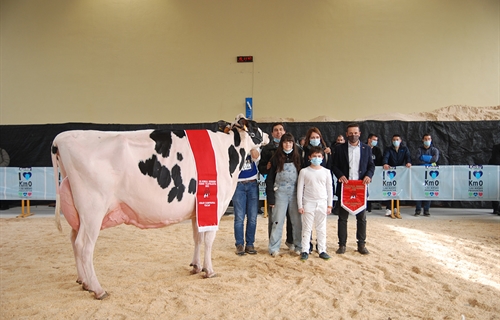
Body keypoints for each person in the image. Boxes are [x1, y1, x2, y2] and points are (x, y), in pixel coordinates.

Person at [331, 123, 375, 255]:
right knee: (342, 218)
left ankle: (361, 244)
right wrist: (340, 175)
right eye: (350, 133)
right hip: (345, 188)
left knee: (361, 218)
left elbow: (371, 166)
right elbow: (334, 165)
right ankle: (342, 245)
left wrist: (368, 175)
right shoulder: (339, 149)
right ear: (346, 134)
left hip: (360, 188)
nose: (353, 135)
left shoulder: (367, 149)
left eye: (355, 132)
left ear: (360, 134)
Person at [266, 133, 303, 257]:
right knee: (277, 221)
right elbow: (270, 179)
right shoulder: (275, 159)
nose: (288, 144)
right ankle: (274, 247)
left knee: (297, 221)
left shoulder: (298, 158)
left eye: (290, 142)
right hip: (279, 193)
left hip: (295, 193)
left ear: (293, 144)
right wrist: (271, 198)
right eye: (285, 142)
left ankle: (298, 246)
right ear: (281, 144)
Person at [258, 122, 294, 248]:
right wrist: (266, 167)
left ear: (284, 131)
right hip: (275, 188)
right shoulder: (267, 149)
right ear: (272, 133)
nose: (278, 132)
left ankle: (291, 241)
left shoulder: (295, 150)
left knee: (291, 218)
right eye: (276, 130)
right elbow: (261, 167)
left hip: (291, 190)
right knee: (274, 219)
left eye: (280, 129)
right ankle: (273, 242)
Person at [297, 146, 333, 261]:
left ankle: (322, 250)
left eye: (319, 156)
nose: (316, 158)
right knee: (307, 228)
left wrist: (329, 204)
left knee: (321, 228)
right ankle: (305, 250)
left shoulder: (326, 172)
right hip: (308, 203)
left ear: (322, 157)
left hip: (322, 203)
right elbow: (300, 189)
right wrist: (300, 205)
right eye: (314, 156)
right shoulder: (304, 171)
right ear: (309, 157)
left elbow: (329, 189)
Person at [233, 148, 260, 255]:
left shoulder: (253, 145)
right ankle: (239, 244)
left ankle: (250, 244)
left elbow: (256, 156)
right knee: (239, 217)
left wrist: (250, 146)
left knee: (252, 217)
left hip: (252, 183)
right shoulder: (234, 145)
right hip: (238, 184)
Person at [382, 134, 412, 219]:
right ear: (392, 141)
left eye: (397, 139)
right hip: (390, 173)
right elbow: (386, 157)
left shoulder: (404, 149)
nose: (396, 141)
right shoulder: (388, 149)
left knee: (398, 189)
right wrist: (385, 163)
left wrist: (408, 162)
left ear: (400, 140)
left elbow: (408, 157)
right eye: (394, 140)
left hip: (400, 173)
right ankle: (388, 208)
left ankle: (396, 208)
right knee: (389, 189)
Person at [414, 133, 440, 217]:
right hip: (419, 174)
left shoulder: (435, 150)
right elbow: (417, 160)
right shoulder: (418, 150)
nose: (427, 140)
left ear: (431, 140)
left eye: (429, 139)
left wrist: (423, 157)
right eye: (425, 139)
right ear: (422, 140)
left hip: (430, 175)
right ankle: (418, 210)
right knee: (418, 191)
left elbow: (435, 160)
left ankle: (426, 210)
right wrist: (429, 162)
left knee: (428, 191)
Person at [366, 134, 383, 213]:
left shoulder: (377, 150)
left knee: (372, 189)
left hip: (375, 172)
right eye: (374, 139)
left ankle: (370, 206)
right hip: (365, 172)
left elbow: (380, 160)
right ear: (369, 140)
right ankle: (365, 206)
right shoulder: (364, 148)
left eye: (376, 140)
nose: (375, 141)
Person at [489, 143, 500, 215]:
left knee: (494, 188)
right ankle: (496, 208)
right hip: (495, 170)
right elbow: (495, 160)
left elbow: (494, 160)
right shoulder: (497, 147)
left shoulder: (496, 147)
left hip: (494, 170)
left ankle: (496, 208)